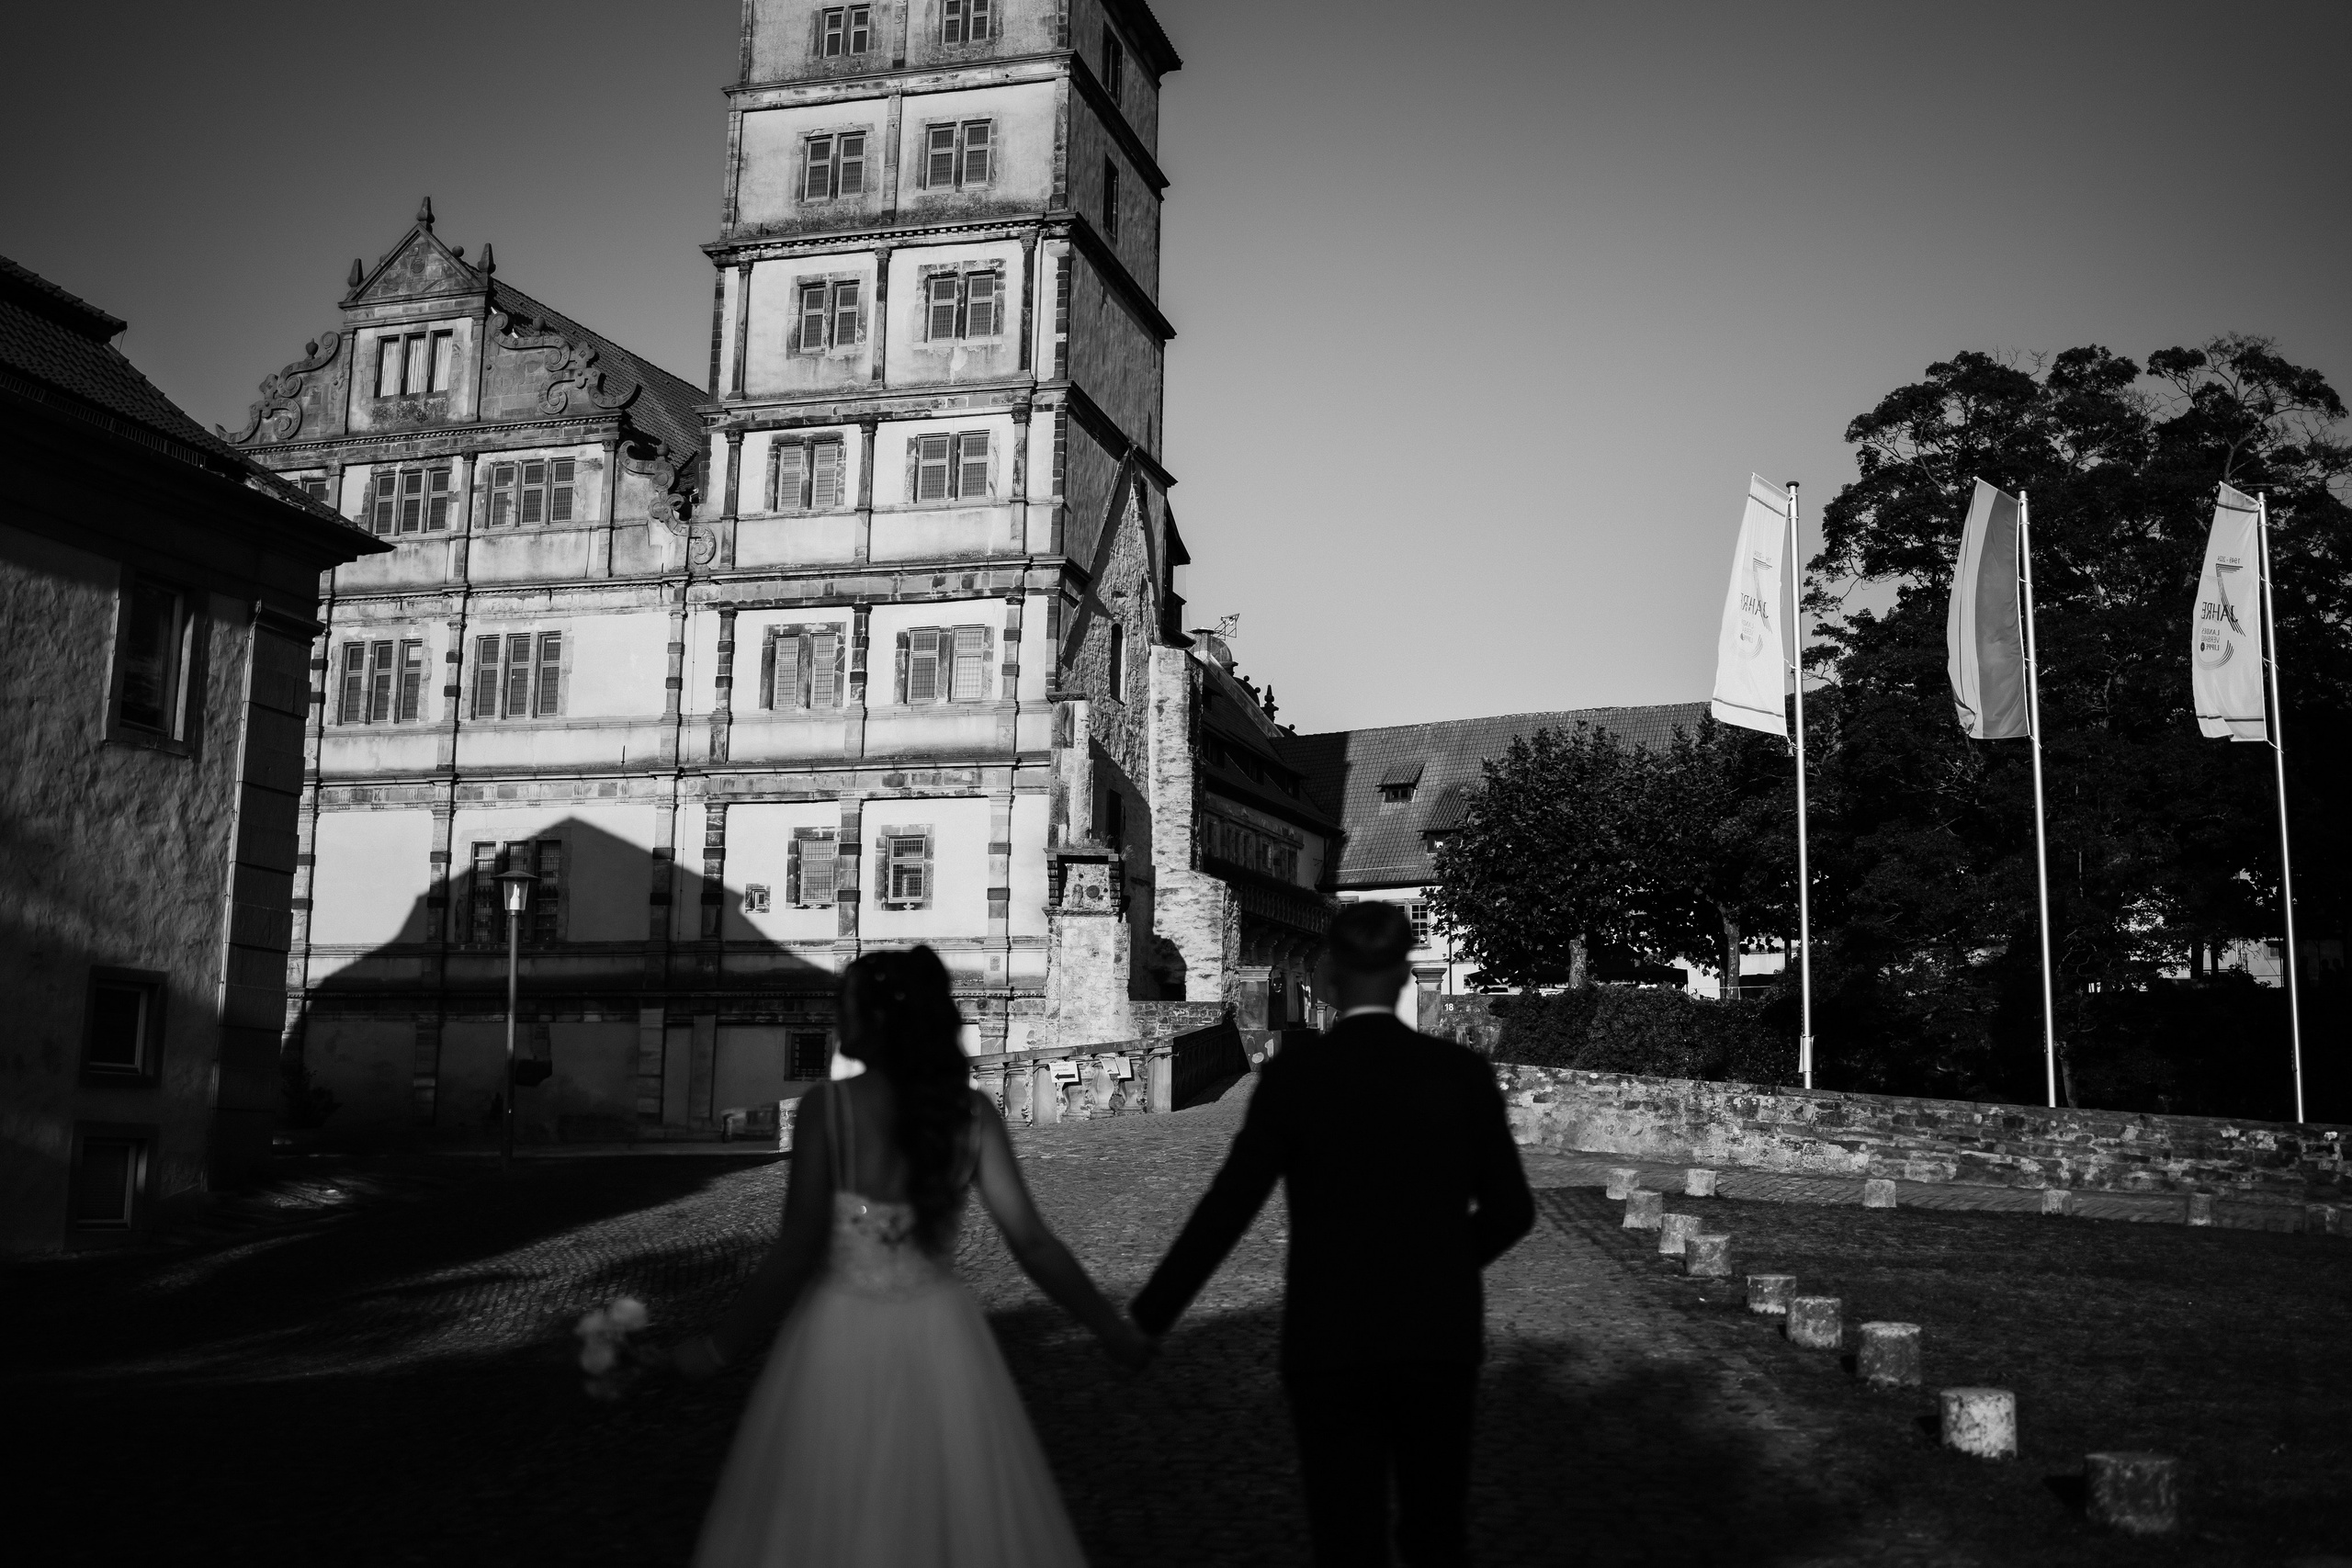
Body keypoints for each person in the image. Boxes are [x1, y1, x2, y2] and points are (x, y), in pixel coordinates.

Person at [672, 946, 1151, 1567]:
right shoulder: (971, 1114)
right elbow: (1033, 1242)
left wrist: (718, 1348)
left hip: (838, 1337)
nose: (837, 1019)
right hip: (943, 1335)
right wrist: (1110, 1327)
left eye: (845, 1006)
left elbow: (795, 1250)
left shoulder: (826, 1109)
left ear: (876, 1020)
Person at [1128, 902, 1534, 1567]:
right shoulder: (1460, 1073)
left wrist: (1150, 1317)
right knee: (1437, 1531)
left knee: (1346, 1534)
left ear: (1330, 977)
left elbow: (1229, 1206)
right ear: (1404, 975)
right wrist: (1438, 1265)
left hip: (1330, 1332)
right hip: (1437, 1331)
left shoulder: (1296, 1077)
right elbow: (1512, 1209)